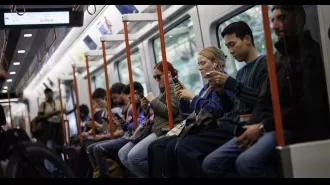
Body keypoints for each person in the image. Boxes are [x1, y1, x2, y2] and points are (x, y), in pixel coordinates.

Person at [201, 5, 330, 178]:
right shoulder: (277, 57)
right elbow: (263, 100)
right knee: (211, 163)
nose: (275, 25)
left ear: (299, 19)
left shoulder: (308, 54)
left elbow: (306, 105)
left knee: (246, 162)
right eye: (272, 20)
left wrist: (261, 127)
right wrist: (248, 124)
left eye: (282, 18)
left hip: (287, 126)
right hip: (263, 123)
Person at [170, 21, 268, 178]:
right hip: (229, 123)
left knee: (187, 148)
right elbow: (232, 106)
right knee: (174, 146)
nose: (230, 50)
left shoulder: (264, 64)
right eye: (227, 47)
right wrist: (222, 93)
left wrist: (227, 85)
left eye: (232, 44)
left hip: (239, 125)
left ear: (248, 40)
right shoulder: (241, 72)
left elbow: (260, 101)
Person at [147, 46, 234, 178]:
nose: (199, 67)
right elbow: (191, 114)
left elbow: (215, 110)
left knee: (176, 147)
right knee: (162, 146)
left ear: (215, 63)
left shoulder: (223, 82)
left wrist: (193, 97)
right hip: (202, 126)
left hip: (216, 127)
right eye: (198, 64)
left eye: (203, 63)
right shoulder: (206, 86)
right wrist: (183, 100)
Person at [118, 61, 181, 178]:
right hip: (157, 128)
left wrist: (152, 100)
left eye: (158, 76)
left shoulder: (174, 87)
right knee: (123, 154)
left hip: (166, 129)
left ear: (168, 74)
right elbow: (157, 113)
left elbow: (170, 112)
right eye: (154, 77)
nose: (156, 80)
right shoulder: (164, 90)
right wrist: (146, 109)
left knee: (133, 157)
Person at [87, 82, 148, 178]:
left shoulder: (134, 108)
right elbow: (123, 127)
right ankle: (100, 174)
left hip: (131, 137)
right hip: (127, 135)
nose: (114, 101)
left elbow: (136, 125)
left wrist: (124, 125)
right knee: (89, 148)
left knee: (98, 148)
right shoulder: (126, 109)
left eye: (114, 98)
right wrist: (122, 124)